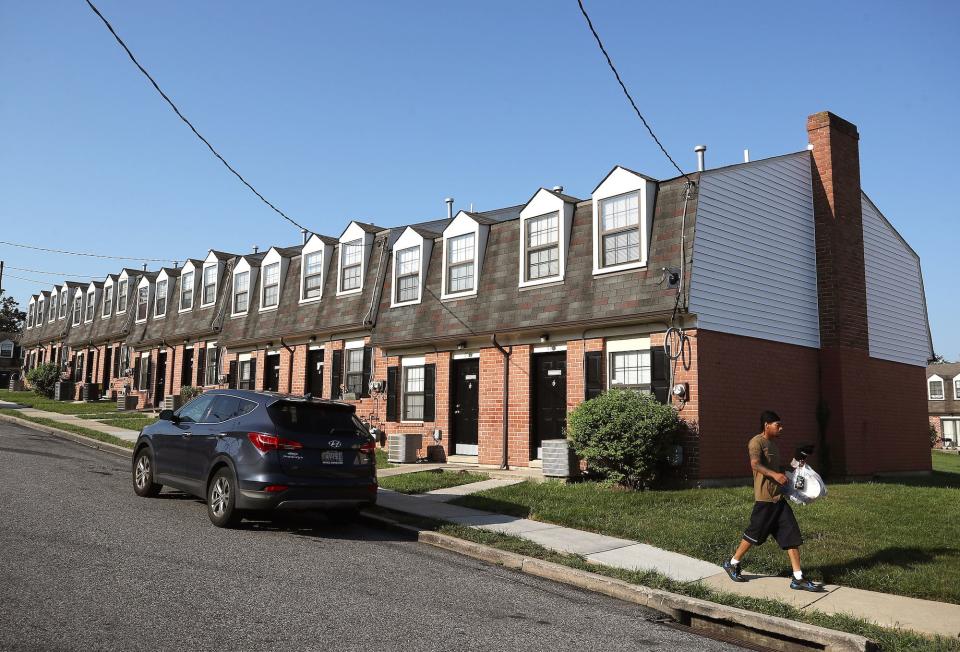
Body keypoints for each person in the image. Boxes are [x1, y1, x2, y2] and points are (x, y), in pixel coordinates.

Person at [722, 410, 822, 591]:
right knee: (754, 534)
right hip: (765, 499)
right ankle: (732, 563)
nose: (781, 428)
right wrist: (774, 474)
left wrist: (798, 458)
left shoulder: (774, 446)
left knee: (791, 536)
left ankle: (797, 577)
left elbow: (781, 470)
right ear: (767, 425)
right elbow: (755, 465)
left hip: (778, 499)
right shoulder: (756, 442)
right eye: (778, 425)